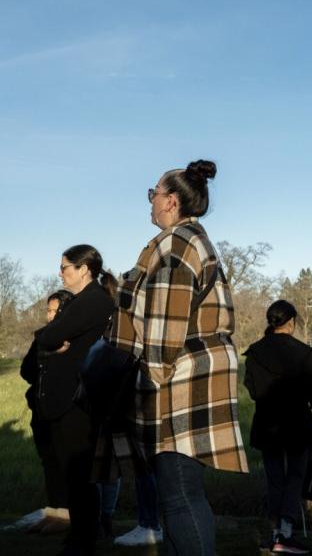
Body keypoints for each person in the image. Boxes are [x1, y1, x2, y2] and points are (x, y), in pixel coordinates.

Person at [107, 159, 247, 556]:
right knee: (178, 495)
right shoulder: (190, 240)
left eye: (153, 194)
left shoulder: (175, 244)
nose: (150, 202)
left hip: (177, 385)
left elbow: (164, 332)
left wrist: (147, 389)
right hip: (189, 378)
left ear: (170, 201)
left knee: (180, 492)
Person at [34, 246, 116, 556]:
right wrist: (51, 338)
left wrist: (52, 339)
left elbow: (48, 336)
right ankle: (81, 537)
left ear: (84, 269)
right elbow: (48, 335)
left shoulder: (93, 301)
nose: (60, 272)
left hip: (76, 400)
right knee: (75, 473)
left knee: (80, 474)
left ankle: (84, 540)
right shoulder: (84, 301)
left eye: (65, 267)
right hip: (69, 398)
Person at [243, 299, 312, 555]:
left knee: (275, 479)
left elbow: (254, 391)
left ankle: (276, 532)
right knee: (295, 477)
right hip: (297, 422)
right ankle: (286, 534)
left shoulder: (255, 352)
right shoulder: (302, 352)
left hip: (268, 423)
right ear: (291, 323)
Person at [16, 289, 74, 535]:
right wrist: (44, 355)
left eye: (54, 310)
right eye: (48, 311)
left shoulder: (77, 339)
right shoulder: (41, 337)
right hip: (41, 409)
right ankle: (55, 512)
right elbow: (26, 371)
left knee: (67, 463)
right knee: (49, 461)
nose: (50, 316)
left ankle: (70, 516)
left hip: (66, 410)